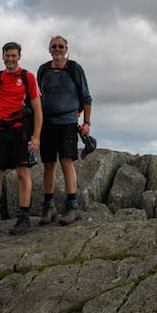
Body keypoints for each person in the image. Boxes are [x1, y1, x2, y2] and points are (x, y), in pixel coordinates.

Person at [0, 42, 42, 236]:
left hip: (20, 130)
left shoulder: (27, 77)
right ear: (3, 56)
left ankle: (23, 218)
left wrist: (37, 136)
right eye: (7, 55)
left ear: (19, 57)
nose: (10, 59)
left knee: (22, 173)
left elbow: (38, 109)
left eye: (14, 55)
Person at [36, 35, 93, 226]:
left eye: (61, 46)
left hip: (68, 122)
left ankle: (72, 207)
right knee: (48, 164)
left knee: (66, 162)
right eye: (54, 46)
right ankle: (49, 207)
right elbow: (37, 97)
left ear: (66, 49)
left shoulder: (74, 69)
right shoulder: (43, 70)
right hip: (46, 123)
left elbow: (86, 97)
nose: (57, 49)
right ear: (49, 49)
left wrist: (86, 123)